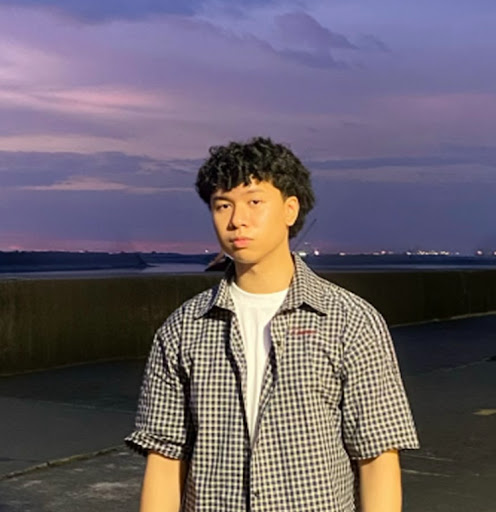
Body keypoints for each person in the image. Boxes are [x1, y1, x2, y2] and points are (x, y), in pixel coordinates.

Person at [125, 136, 419, 512]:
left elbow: (377, 455)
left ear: (290, 209)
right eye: (223, 205)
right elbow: (165, 458)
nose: (237, 220)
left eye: (254, 202)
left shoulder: (350, 321)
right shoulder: (184, 328)